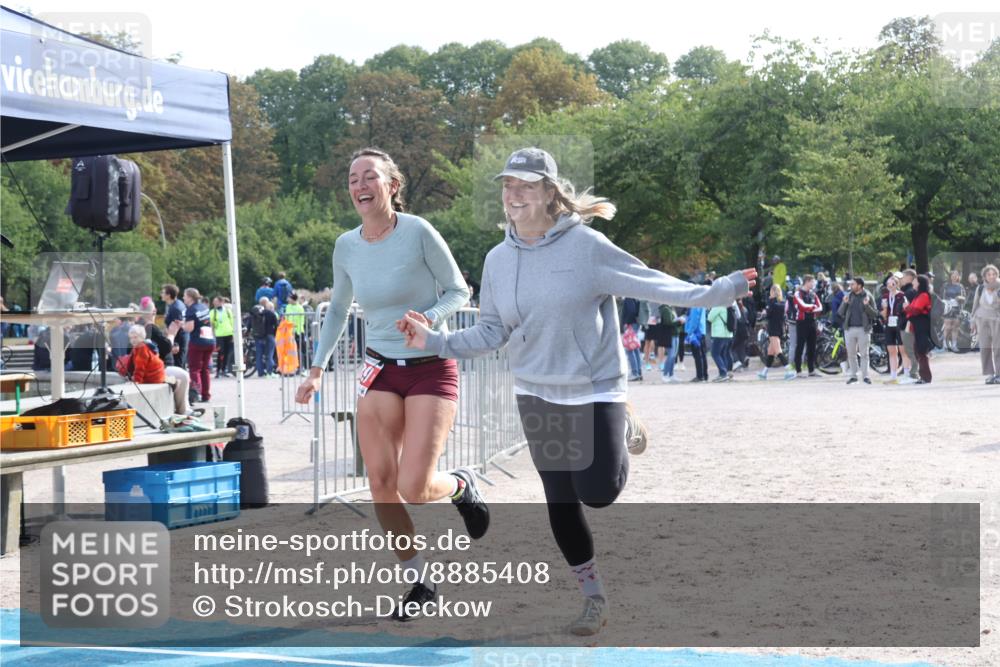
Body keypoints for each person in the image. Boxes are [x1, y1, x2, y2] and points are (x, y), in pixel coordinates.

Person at [397, 147, 755, 635]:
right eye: (507, 185)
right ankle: (593, 598)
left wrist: (719, 291)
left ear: (549, 193)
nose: (514, 194)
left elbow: (652, 284)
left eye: (525, 185)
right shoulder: (498, 259)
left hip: (595, 390)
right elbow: (491, 331)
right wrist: (436, 341)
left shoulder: (586, 247)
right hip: (536, 392)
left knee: (599, 492)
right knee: (561, 502)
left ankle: (623, 423)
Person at [294, 147, 483, 622]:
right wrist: (316, 368)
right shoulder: (346, 245)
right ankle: (419, 579)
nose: (360, 184)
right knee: (380, 483)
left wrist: (430, 319)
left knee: (414, 487)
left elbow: (459, 289)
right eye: (353, 177)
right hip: (379, 367)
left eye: (370, 176)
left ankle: (460, 486)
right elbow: (337, 309)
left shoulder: (418, 231)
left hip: (429, 366)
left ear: (391, 185)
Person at [116, 324, 189, 415]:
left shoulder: (141, 348)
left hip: (153, 376)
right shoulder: (142, 346)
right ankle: (172, 382)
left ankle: (173, 383)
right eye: (131, 338)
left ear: (142, 337)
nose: (133, 340)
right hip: (157, 373)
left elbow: (140, 367)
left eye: (135, 337)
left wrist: (136, 381)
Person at [838, 277, 878, 385]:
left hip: (863, 329)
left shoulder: (868, 296)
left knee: (864, 354)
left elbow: (874, 314)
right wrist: (844, 303)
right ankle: (853, 376)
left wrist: (867, 305)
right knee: (851, 354)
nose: (850, 286)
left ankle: (865, 376)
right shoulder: (848, 296)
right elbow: (840, 313)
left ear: (859, 286)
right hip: (849, 329)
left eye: (853, 284)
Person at [180, 287, 216, 403]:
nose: (183, 298)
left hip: (197, 342)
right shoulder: (203, 307)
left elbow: (190, 328)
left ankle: (196, 394)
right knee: (205, 369)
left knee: (194, 369)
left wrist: (182, 325)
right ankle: (206, 395)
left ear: (190, 297)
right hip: (210, 341)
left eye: (185, 296)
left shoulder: (191, 310)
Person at [970, 264, 1000, 384]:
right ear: (985, 276)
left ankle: (999, 374)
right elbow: (975, 305)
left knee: (998, 348)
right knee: (985, 347)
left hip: (997, 319)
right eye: (989, 274)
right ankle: (990, 374)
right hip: (982, 319)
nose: (991, 276)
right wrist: (973, 321)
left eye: (994, 274)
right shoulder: (980, 288)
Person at [903, 275, 936, 384]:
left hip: (922, 325)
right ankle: (923, 376)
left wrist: (907, 307)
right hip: (917, 326)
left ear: (920, 283)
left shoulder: (923, 295)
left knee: (921, 351)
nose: (913, 283)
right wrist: (908, 308)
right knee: (918, 350)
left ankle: (926, 377)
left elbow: (916, 310)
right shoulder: (918, 295)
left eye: (915, 281)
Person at [791, 274, 823, 378]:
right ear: (807, 281)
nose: (814, 284)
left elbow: (820, 307)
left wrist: (812, 308)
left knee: (812, 346)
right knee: (800, 346)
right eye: (813, 282)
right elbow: (802, 306)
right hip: (802, 322)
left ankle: (811, 370)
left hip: (812, 322)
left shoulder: (813, 294)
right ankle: (798, 370)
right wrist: (813, 307)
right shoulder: (798, 293)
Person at [880, 275, 910, 384]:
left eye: (892, 283)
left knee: (903, 350)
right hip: (889, 324)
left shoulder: (902, 295)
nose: (889, 285)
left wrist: (906, 307)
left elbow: (907, 310)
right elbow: (883, 315)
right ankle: (893, 376)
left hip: (900, 323)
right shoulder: (885, 296)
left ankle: (907, 374)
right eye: (887, 283)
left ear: (896, 284)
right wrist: (885, 308)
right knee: (892, 351)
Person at [758, 284, 789, 380]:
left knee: (778, 351)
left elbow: (768, 315)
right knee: (770, 352)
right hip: (780, 328)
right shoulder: (782, 303)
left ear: (772, 292)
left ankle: (789, 370)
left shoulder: (772, 303)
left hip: (773, 329)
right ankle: (764, 372)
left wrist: (764, 312)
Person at [898, 269, 921, 383]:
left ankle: (914, 373)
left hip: (908, 324)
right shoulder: (906, 291)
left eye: (903, 276)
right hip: (906, 323)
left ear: (910, 277)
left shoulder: (910, 292)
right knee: (909, 350)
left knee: (910, 350)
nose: (901, 278)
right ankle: (913, 372)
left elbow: (907, 309)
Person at [161, 283, 187, 368]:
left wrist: (175, 344)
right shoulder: (176, 304)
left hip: (178, 339)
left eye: (163, 293)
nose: (161, 294)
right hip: (178, 338)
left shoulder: (175, 308)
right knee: (180, 365)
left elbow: (177, 326)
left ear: (168, 295)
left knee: (178, 366)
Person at [707, 301, 734, 382]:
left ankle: (723, 373)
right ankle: (724, 374)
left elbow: (709, 317)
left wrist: (710, 309)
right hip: (728, 334)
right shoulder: (728, 304)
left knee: (715, 353)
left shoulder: (718, 305)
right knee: (722, 354)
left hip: (719, 333)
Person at [618, 297, 644, 381]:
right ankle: (638, 372)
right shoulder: (635, 297)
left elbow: (631, 311)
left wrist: (626, 323)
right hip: (635, 324)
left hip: (630, 324)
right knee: (635, 349)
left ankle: (634, 372)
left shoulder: (628, 298)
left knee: (630, 349)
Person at [210, 296, 236, 378]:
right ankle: (218, 371)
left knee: (227, 353)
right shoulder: (212, 312)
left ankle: (224, 370)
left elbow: (232, 322)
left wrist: (233, 334)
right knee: (220, 353)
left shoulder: (228, 311)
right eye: (214, 302)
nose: (214, 303)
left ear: (221, 302)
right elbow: (212, 324)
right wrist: (213, 334)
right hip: (219, 335)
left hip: (229, 334)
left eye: (216, 301)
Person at [941, 271, 966, 352]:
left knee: (955, 327)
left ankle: (954, 345)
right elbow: (942, 297)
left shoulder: (961, 286)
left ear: (958, 277)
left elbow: (964, 297)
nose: (954, 277)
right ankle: (945, 344)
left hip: (957, 308)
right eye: (953, 275)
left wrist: (960, 298)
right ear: (950, 276)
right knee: (947, 327)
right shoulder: (946, 285)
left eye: (956, 275)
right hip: (948, 308)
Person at [284, 292, 308, 372]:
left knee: (301, 350)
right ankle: (293, 367)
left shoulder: (300, 307)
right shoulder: (288, 307)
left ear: (292, 298)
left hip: (298, 331)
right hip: (290, 332)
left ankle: (303, 367)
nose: (287, 299)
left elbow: (302, 320)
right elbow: (286, 318)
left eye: (289, 298)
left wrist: (297, 330)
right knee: (292, 351)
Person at [685, 304, 709, 382]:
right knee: (703, 355)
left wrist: (689, 332)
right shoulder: (702, 304)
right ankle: (705, 375)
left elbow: (694, 320)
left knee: (697, 356)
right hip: (701, 331)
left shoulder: (695, 305)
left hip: (696, 333)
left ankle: (700, 376)